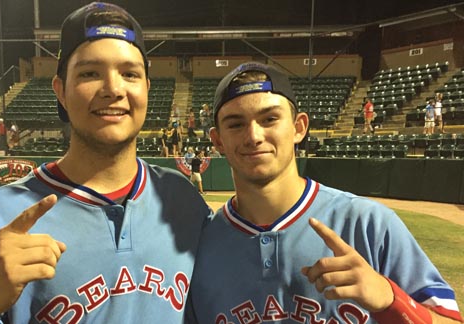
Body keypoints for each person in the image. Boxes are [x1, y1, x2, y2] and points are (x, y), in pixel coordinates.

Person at [0, 3, 211, 323]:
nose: (113, 89)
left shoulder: (183, 201)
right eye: (89, 73)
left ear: (146, 89)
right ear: (61, 91)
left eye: (130, 74)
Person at [185, 62, 462, 324]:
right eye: (236, 124)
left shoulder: (367, 224)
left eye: (269, 119)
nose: (254, 136)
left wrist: (391, 300)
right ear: (217, 140)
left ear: (298, 127)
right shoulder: (200, 246)